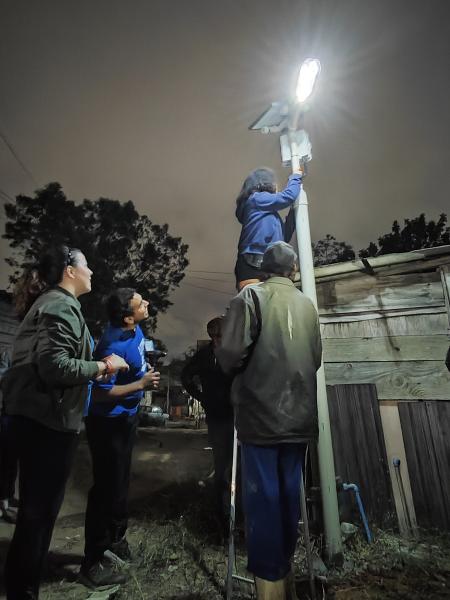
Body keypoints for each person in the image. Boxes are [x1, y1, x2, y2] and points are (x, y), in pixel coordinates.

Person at [1, 245, 128, 600]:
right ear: (70, 271)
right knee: (37, 514)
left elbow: (61, 365)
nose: (92, 272)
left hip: (39, 419)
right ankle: (23, 590)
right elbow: (54, 366)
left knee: (35, 512)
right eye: (86, 266)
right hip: (45, 423)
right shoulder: (60, 305)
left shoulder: (57, 304)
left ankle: (28, 577)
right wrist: (104, 366)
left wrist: (93, 374)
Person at [216, 241, 322, 600]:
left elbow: (229, 356)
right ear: (293, 270)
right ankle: (286, 572)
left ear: (264, 269)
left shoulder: (250, 299)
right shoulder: (308, 305)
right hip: (299, 418)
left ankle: (270, 585)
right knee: (290, 496)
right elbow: (315, 358)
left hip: (261, 417)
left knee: (263, 502)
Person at [80, 288, 160, 587]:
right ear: (128, 317)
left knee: (121, 483)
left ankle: (115, 540)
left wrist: (144, 370)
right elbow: (101, 394)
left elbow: (137, 359)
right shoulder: (110, 346)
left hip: (126, 417)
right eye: (141, 304)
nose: (147, 303)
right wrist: (140, 382)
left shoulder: (135, 330)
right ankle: (91, 561)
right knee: (105, 489)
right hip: (107, 424)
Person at [0, 268, 47, 524]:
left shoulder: (37, 318)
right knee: (10, 459)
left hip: (23, 406)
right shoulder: (26, 323)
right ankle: (6, 501)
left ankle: (11, 500)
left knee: (20, 461)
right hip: (17, 407)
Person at [181, 317, 234, 538]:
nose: (217, 340)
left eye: (220, 336)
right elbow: (185, 376)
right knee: (222, 466)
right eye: (215, 336)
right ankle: (223, 520)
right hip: (218, 416)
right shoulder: (204, 355)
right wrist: (202, 397)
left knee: (237, 465)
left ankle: (236, 514)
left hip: (238, 414)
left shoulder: (234, 351)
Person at [235, 167, 303, 290]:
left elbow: (284, 237)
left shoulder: (271, 216)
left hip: (269, 264)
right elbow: (288, 196)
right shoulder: (256, 199)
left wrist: (294, 210)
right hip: (251, 262)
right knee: (254, 303)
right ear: (264, 183)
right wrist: (295, 177)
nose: (276, 186)